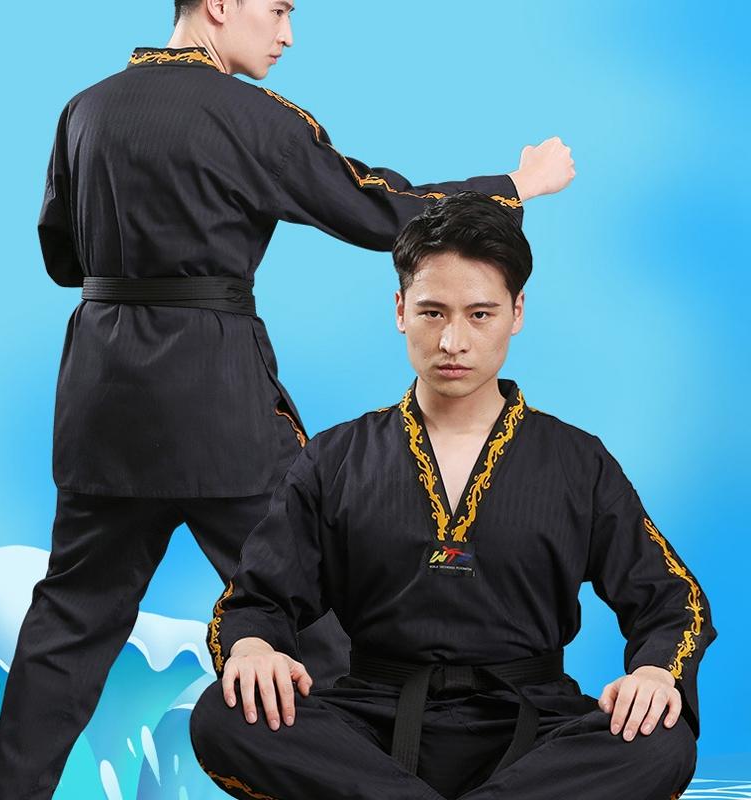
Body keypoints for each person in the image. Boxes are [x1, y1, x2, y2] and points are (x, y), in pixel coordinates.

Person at [0, 0, 576, 796]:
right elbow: (377, 207)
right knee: (319, 612)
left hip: (101, 406)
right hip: (217, 405)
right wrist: (514, 186)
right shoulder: (250, 117)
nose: (287, 33)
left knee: (68, 623)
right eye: (278, 9)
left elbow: (63, 257)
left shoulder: (84, 110)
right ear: (220, 5)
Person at [190, 192, 716, 800]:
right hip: (367, 727)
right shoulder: (336, 456)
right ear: (400, 310)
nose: (452, 341)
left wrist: (653, 672)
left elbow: (672, 600)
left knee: (661, 736)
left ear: (517, 312)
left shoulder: (578, 460)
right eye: (433, 312)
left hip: (536, 726)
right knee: (224, 713)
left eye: (480, 314)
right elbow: (257, 598)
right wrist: (254, 648)